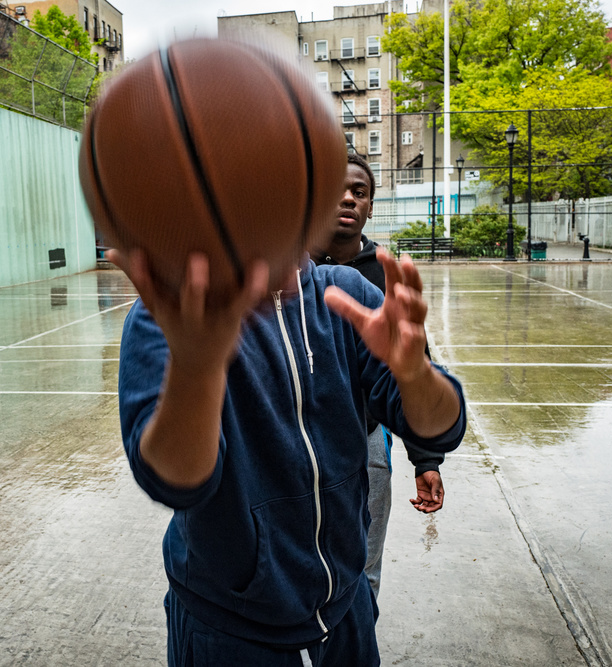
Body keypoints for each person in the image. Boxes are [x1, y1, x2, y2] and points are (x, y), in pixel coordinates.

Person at [110, 211, 466, 664]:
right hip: (229, 628)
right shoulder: (170, 314)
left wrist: (415, 374)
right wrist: (195, 373)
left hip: (345, 611)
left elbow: (440, 427)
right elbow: (174, 479)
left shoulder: (348, 294)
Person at [312, 154, 447, 598]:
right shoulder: (290, 268)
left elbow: (413, 370)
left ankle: (358, 639)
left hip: (367, 434)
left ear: (370, 207)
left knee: (362, 565)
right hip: (297, 432)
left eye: (360, 191)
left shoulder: (387, 275)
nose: (348, 197)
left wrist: (425, 460)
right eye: (336, 189)